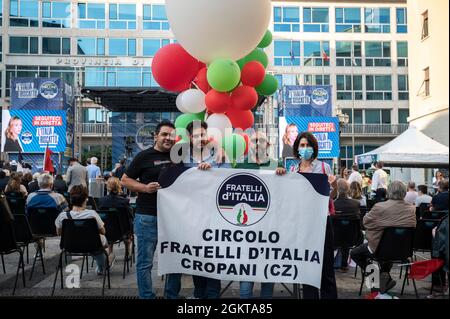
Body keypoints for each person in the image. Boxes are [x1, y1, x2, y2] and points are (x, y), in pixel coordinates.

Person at [165, 121, 229, 300]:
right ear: (189, 138)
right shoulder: (182, 157)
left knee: (213, 257)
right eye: (195, 136)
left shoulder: (220, 155)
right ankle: (199, 295)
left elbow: (229, 180)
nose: (199, 138)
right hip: (191, 217)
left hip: (215, 217)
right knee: (196, 256)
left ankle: (212, 295)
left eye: (202, 134)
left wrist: (213, 172)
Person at [276, 132, 338, 299]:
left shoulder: (324, 168)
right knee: (307, 269)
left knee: (326, 268)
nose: (305, 149)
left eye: (308, 145)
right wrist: (281, 176)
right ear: (297, 149)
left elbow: (331, 197)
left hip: (322, 223)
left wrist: (335, 186)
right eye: (302, 146)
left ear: (314, 148)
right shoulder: (293, 170)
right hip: (302, 225)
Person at [121, 121, 175, 299]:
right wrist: (145, 188)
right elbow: (125, 180)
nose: (168, 138)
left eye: (171, 135)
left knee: (175, 262)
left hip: (174, 219)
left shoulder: (179, 156)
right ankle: (146, 296)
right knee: (145, 263)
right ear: (156, 136)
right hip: (148, 217)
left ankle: (171, 296)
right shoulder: (143, 156)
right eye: (164, 134)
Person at [350, 181, 416, 294]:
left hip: (380, 248)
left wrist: (378, 225)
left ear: (389, 192)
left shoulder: (380, 207)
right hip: (403, 250)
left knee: (355, 253)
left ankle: (376, 280)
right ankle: (384, 277)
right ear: (404, 193)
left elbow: (365, 223)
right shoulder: (412, 209)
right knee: (387, 250)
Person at [235, 131, 277, 299]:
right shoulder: (239, 166)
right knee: (246, 272)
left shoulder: (276, 164)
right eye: (254, 141)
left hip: (270, 229)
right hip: (246, 231)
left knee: (268, 270)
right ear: (249, 144)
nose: (257, 143)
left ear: (267, 145)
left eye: (261, 141)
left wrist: (283, 174)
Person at [54, 185, 112, 275]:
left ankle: (102, 266)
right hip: (92, 245)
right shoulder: (92, 214)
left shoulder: (62, 216)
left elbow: (59, 233)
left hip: (70, 245)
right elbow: (103, 231)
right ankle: (102, 266)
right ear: (86, 199)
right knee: (102, 241)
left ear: (71, 199)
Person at [334, 179, 361, 272]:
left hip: (334, 237)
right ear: (348, 189)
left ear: (336, 189)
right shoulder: (356, 204)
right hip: (352, 237)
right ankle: (343, 264)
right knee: (345, 234)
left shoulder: (333, 204)